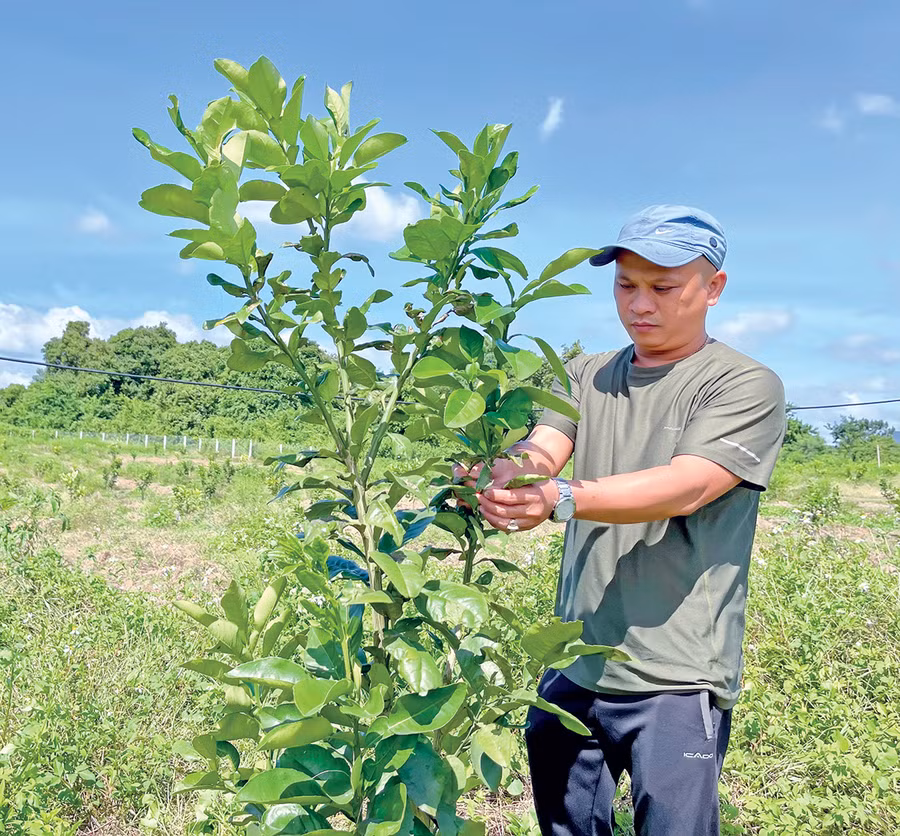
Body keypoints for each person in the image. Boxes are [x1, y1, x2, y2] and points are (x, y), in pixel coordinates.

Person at [470, 205, 786, 835]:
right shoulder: (586, 373)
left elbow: (689, 484)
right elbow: (543, 448)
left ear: (714, 287)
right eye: (626, 285)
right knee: (566, 827)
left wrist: (560, 497)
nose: (640, 303)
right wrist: (505, 476)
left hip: (676, 677)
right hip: (575, 664)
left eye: (663, 287)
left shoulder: (744, 384)